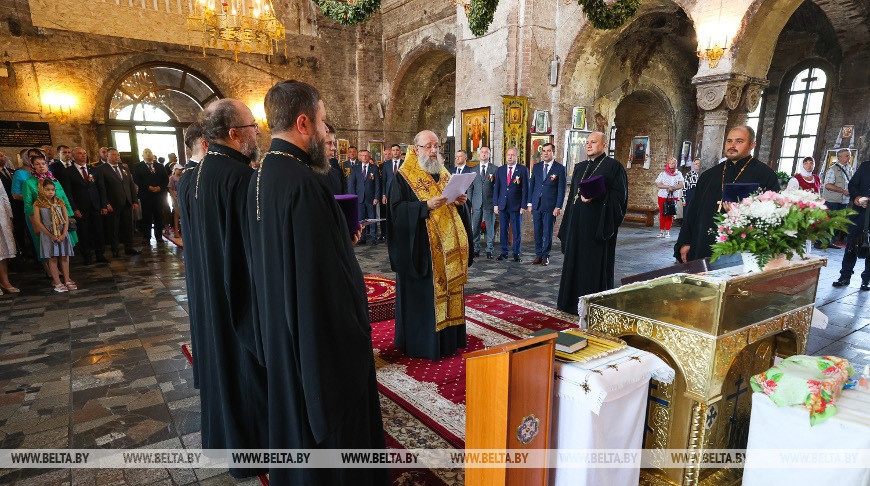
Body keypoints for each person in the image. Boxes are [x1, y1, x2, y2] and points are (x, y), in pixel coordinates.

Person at [246, 79, 388, 485]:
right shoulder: (306, 184)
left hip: (280, 327)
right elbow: (329, 283)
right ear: (304, 123)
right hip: (315, 342)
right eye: (325, 123)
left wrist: (335, 238)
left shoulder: (260, 176)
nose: (328, 134)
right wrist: (357, 327)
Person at [176, 99, 268, 479]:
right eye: (252, 126)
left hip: (204, 294)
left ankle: (221, 442)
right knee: (244, 372)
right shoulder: (244, 180)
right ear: (234, 134)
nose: (257, 132)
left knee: (218, 368)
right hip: (238, 297)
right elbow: (256, 250)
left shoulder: (188, 177)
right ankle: (255, 450)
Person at [388, 129, 474, 360]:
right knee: (427, 300)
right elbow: (395, 213)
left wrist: (459, 202)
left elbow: (453, 205)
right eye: (429, 146)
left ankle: (449, 341)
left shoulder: (444, 173)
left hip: (449, 252)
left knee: (450, 293)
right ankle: (424, 344)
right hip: (423, 255)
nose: (434, 151)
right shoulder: (403, 177)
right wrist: (424, 206)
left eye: (437, 146)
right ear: (417, 150)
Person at [675, 126, 780, 263]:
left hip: (740, 247)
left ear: (752, 145)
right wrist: (685, 241)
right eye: (729, 141)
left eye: (739, 141)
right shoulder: (709, 175)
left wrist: (741, 213)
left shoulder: (764, 175)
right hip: (703, 243)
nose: (732, 145)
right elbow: (693, 210)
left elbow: (772, 215)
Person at [557, 131, 628, 313]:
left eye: (593, 142)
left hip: (596, 228)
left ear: (604, 145)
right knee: (573, 264)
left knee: (591, 267)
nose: (588, 145)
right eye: (587, 142)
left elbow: (620, 199)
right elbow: (573, 198)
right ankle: (569, 304)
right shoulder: (580, 168)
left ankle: (592, 306)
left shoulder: (614, 167)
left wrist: (600, 194)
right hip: (576, 227)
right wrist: (566, 228)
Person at [22, 154, 78, 267]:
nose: (41, 166)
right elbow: (28, 205)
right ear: (32, 166)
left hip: (60, 217)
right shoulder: (29, 183)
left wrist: (70, 215)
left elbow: (64, 198)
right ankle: (53, 273)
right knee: (49, 247)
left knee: (64, 244)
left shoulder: (54, 180)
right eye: (37, 164)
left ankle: (64, 272)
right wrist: (35, 224)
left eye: (43, 163)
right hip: (44, 218)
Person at [62, 147, 109, 264]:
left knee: (99, 231)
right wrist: (74, 208)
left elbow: (101, 188)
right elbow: (68, 192)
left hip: (96, 206)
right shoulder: (68, 171)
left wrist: (104, 205)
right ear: (73, 156)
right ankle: (87, 256)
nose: (83, 155)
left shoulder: (94, 170)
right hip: (80, 208)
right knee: (84, 232)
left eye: (84, 153)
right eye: (79, 153)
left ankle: (100, 254)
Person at [30, 179, 76, 292]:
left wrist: (64, 233)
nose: (50, 192)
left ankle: (67, 280)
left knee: (64, 256)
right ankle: (57, 282)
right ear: (42, 190)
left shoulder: (60, 202)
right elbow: (38, 222)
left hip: (61, 232)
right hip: (48, 233)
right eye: (47, 190)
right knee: (52, 257)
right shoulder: (38, 204)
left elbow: (66, 219)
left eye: (52, 190)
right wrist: (51, 235)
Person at [832, 159, 870, 290]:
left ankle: (867, 280)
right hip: (859, 213)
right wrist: (857, 198)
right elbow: (852, 185)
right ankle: (845, 276)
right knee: (851, 245)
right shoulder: (866, 165)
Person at [96, 149, 140, 257]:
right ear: (107, 156)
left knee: (128, 227)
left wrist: (134, 200)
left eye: (118, 155)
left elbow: (131, 185)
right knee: (114, 228)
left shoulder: (124, 168)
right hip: (112, 203)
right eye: (114, 155)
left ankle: (129, 247)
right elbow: (101, 188)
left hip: (126, 202)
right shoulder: (101, 169)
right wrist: (105, 203)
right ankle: (115, 249)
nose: (117, 157)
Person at [527, 143, 566, 265]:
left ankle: (545, 255)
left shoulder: (559, 168)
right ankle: (538, 254)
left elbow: (561, 189)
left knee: (547, 232)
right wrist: (529, 203)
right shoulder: (537, 167)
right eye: (544, 151)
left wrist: (558, 206)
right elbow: (532, 185)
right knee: (537, 231)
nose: (545, 153)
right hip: (536, 204)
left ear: (553, 153)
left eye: (548, 151)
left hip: (550, 206)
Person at [493, 147, 529, 261]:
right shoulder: (501, 170)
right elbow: (497, 188)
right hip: (503, 205)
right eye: (508, 154)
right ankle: (504, 252)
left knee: (516, 230)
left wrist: (524, 205)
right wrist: (495, 204)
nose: (510, 157)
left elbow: (525, 189)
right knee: (503, 229)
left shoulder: (523, 170)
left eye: (512, 155)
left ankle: (516, 252)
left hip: (517, 206)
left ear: (517, 156)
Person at [132, 148, 169, 245]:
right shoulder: (137, 166)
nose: (148, 154)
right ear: (142, 155)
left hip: (158, 195)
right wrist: (148, 187)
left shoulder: (160, 166)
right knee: (146, 216)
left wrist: (159, 187)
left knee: (158, 215)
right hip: (145, 195)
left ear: (153, 155)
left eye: (150, 152)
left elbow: (165, 179)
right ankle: (146, 237)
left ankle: (159, 236)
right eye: (146, 152)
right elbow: (136, 179)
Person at [348, 149, 381, 244]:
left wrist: (376, 197)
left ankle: (374, 238)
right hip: (359, 198)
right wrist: (353, 197)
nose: (365, 157)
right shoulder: (355, 168)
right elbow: (351, 184)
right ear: (360, 157)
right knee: (361, 220)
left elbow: (377, 184)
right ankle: (362, 238)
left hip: (371, 199)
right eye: (363, 155)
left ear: (369, 156)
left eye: (366, 155)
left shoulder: (374, 168)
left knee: (372, 219)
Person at [822, 149, 853, 248]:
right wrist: (843, 191)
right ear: (839, 157)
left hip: (844, 200)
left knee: (837, 222)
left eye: (849, 156)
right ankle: (822, 242)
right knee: (828, 221)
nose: (848, 158)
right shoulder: (832, 169)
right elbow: (828, 185)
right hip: (832, 200)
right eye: (846, 156)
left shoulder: (849, 169)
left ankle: (830, 241)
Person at [472, 146, 497, 259]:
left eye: (486, 152)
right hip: (476, 203)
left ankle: (489, 249)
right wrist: (470, 203)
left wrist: (496, 203)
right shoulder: (473, 170)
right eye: (482, 152)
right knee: (475, 227)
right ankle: (476, 248)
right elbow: (470, 188)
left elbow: (497, 188)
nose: (484, 154)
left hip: (489, 202)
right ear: (479, 154)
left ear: (489, 154)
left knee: (490, 227)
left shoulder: (495, 169)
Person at [654, 156, 684, 238]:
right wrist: (667, 187)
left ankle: (667, 231)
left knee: (670, 214)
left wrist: (673, 188)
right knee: (662, 213)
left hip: (673, 196)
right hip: (663, 196)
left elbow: (681, 184)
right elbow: (659, 184)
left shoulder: (678, 174)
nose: (671, 164)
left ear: (675, 164)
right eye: (670, 163)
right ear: (668, 164)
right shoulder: (663, 174)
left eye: (673, 163)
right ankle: (661, 231)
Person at [381, 144, 404, 239]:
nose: (395, 152)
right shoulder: (386, 164)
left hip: (402, 192)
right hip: (389, 193)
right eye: (393, 150)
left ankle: (400, 234)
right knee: (389, 214)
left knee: (400, 214)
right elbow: (384, 181)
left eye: (397, 150)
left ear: (400, 151)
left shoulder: (405, 163)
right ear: (391, 152)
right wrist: (383, 195)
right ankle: (389, 234)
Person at [0, 176, 18, 294]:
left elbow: (3, 195)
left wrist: (9, 216)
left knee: (2, 251)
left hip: (1, 215)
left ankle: (5, 281)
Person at [167, 163, 183, 237]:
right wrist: (174, 197)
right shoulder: (172, 178)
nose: (180, 171)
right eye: (179, 169)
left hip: (182, 196)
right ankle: (176, 231)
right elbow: (170, 188)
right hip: (175, 196)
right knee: (177, 214)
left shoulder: (183, 177)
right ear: (175, 169)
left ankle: (182, 229)